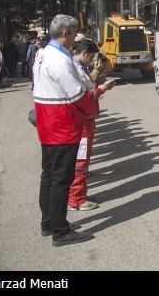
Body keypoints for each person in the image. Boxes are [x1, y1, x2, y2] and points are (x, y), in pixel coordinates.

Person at [33, 14, 102, 247]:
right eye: (73, 33)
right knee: (62, 179)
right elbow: (77, 96)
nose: (75, 39)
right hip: (62, 124)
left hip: (47, 123)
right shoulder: (61, 61)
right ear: (65, 33)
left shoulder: (42, 54)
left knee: (49, 176)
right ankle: (60, 231)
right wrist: (94, 103)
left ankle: (49, 223)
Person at [67, 38, 116, 211]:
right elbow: (84, 95)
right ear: (84, 54)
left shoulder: (79, 68)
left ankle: (80, 194)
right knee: (80, 161)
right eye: (91, 58)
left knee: (83, 160)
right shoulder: (75, 70)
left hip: (85, 120)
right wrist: (101, 89)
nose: (93, 61)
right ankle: (76, 199)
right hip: (81, 122)